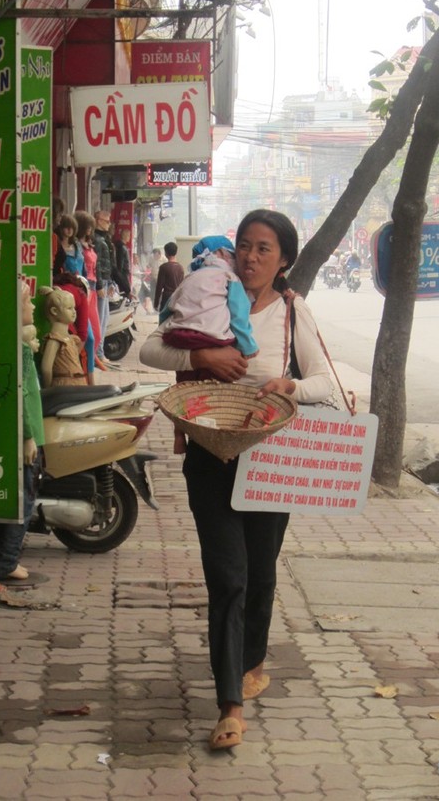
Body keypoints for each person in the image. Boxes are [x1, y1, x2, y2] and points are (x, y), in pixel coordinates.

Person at [140, 209, 332, 752]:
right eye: (244, 245)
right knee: (228, 578)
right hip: (210, 453)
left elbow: (324, 383)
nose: (250, 257)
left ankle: (250, 660)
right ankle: (229, 704)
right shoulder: (209, 291)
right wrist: (201, 353)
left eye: (264, 249)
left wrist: (289, 386)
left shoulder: (295, 313)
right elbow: (150, 348)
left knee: (261, 572)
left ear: (285, 260)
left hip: (273, 461)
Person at [160, 235, 258, 454]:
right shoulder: (229, 277)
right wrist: (248, 347)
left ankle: (179, 434)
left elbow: (167, 308)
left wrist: (166, 329)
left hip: (179, 336)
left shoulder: (190, 278)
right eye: (233, 254)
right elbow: (239, 315)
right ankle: (211, 432)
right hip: (212, 338)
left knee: (183, 386)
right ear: (222, 254)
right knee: (214, 385)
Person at [0, 282, 45, 584]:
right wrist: (28, 435)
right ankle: (6, 561)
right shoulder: (20, 349)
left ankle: (0, 559)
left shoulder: (17, 344)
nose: (33, 307)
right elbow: (21, 396)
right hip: (28, 436)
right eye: (27, 303)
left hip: (27, 433)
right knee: (23, 499)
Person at [39, 286, 88, 388]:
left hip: (78, 384)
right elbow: (46, 368)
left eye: (74, 307)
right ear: (54, 311)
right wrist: (48, 389)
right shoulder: (55, 340)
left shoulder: (71, 339)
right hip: (65, 386)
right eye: (69, 308)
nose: (74, 311)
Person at [75, 210, 103, 371]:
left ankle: (87, 365)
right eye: (87, 227)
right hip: (83, 289)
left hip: (92, 287)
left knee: (96, 334)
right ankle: (85, 368)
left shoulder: (88, 245)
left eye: (91, 227)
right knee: (89, 334)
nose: (89, 230)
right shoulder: (77, 246)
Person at [93, 210, 115, 365]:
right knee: (100, 320)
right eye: (106, 220)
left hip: (106, 282)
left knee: (104, 319)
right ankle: (98, 354)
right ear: (97, 220)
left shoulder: (104, 239)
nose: (108, 223)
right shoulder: (96, 239)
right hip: (101, 283)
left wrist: (110, 282)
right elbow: (97, 264)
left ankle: (99, 353)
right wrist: (100, 284)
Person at [154, 241, 185, 311]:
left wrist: (156, 304)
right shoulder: (180, 267)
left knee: (164, 320)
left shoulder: (163, 267)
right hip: (177, 299)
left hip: (166, 298)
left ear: (166, 253)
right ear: (176, 253)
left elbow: (159, 287)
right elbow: (182, 286)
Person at [52, 213, 84, 277]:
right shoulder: (57, 245)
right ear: (61, 228)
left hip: (80, 281)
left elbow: (83, 267)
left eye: (72, 227)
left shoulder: (77, 245)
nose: (70, 230)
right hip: (65, 281)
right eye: (67, 227)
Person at [113, 227, 135, 299]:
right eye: (129, 236)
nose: (129, 238)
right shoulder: (122, 248)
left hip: (122, 274)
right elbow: (120, 265)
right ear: (126, 236)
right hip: (123, 275)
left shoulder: (120, 247)